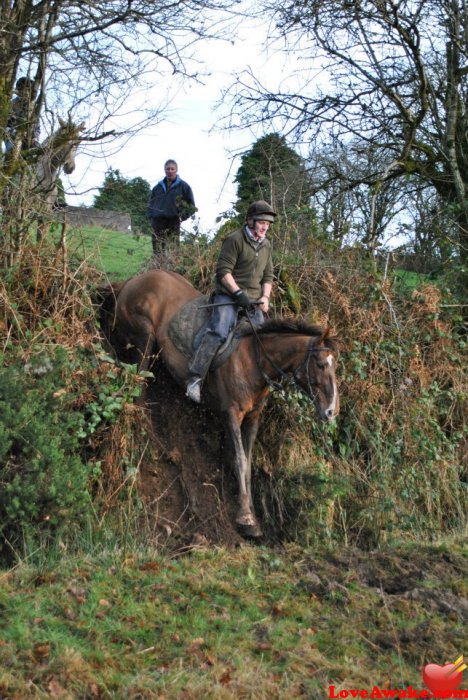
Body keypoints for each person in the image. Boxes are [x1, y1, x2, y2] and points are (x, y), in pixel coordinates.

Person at [185, 200, 277, 403]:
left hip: (253, 300)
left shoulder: (266, 245)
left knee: (264, 339)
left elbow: (268, 275)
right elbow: (223, 271)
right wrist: (237, 294)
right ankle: (195, 378)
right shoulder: (235, 239)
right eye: (261, 222)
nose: (264, 227)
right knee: (219, 330)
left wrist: (265, 297)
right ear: (251, 221)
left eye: (267, 224)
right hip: (228, 295)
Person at [147, 159, 196, 253]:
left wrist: (182, 217)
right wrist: (150, 216)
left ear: (176, 170)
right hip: (157, 223)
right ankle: (157, 267)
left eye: (172, 169)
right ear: (164, 170)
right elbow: (150, 204)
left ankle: (172, 267)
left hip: (173, 222)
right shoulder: (157, 188)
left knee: (173, 250)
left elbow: (191, 206)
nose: (170, 171)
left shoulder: (184, 186)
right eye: (168, 169)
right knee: (157, 251)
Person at [4, 77, 40, 154]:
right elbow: (8, 122)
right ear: (19, 90)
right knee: (9, 151)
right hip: (13, 136)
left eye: (29, 90)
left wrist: (35, 138)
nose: (27, 92)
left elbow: (37, 127)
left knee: (35, 154)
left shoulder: (33, 107)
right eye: (25, 89)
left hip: (28, 139)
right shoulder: (12, 104)